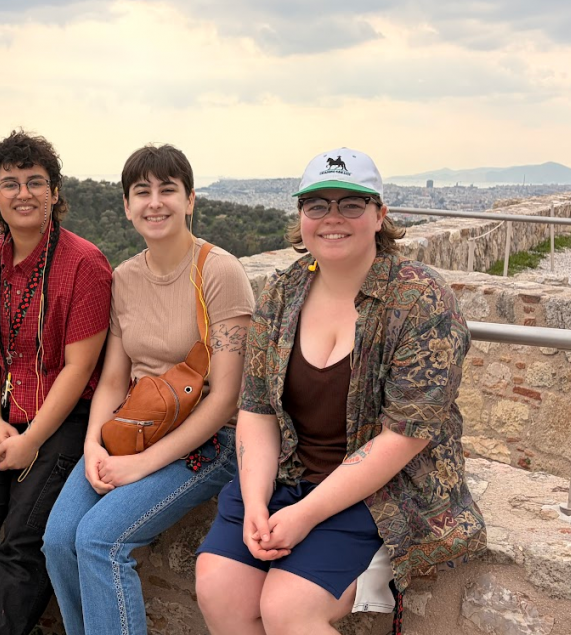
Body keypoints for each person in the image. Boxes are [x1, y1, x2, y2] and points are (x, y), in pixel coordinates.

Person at [194, 148, 486, 635]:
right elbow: (257, 409)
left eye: (351, 204)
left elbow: (405, 435)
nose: (332, 218)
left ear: (379, 215)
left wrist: (305, 515)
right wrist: (256, 502)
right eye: (317, 205)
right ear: (301, 216)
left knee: (289, 608)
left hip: (378, 491)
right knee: (219, 588)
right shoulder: (282, 293)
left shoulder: (419, 299)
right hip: (287, 475)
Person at [43, 144, 253, 635]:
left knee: (99, 540)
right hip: (135, 428)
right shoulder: (125, 278)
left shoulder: (219, 272)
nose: (155, 202)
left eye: (167, 190)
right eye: (142, 192)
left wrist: (140, 465)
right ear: (126, 205)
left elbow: (226, 397)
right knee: (58, 540)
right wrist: (94, 445)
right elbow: (114, 379)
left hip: (209, 440)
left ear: (190, 200)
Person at [0, 131, 113, 635]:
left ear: (55, 191)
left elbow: (78, 368)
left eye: (35, 182)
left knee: (25, 541)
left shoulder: (85, 264)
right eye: (10, 183)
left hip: (61, 416)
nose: (23, 193)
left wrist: (31, 440)